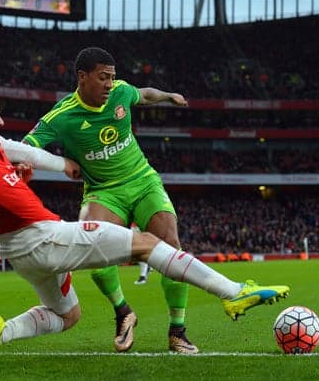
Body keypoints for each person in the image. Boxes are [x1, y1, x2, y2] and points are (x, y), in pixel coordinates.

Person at [0, 81, 290, 366]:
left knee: (67, 316)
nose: (0, 120)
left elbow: (25, 151)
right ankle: (235, 294)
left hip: (20, 251)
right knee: (147, 242)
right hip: (43, 238)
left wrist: (61, 164)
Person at [22, 47, 193, 353]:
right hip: (103, 191)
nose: (109, 84)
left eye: (112, 78)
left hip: (143, 181)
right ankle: (123, 312)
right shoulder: (62, 116)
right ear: (82, 77)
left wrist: (170, 95)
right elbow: (28, 145)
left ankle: (177, 331)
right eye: (103, 78)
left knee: (171, 246)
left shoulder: (121, 93)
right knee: (94, 252)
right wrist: (45, 163)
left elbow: (146, 93)